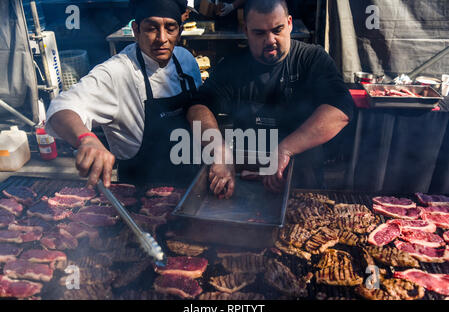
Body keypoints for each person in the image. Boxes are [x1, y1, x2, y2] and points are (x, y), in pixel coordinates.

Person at [187, 0, 354, 196]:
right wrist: (219, 151)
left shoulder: (312, 59)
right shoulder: (233, 66)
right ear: (246, 30)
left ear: (290, 23)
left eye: (277, 29)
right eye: (260, 33)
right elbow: (198, 106)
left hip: (302, 183)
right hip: (245, 183)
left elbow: (340, 109)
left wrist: (285, 150)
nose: (270, 40)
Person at [45, 0, 202, 187]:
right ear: (136, 30)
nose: (162, 38)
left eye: (170, 28)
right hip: (141, 196)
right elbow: (61, 108)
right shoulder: (116, 72)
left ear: (180, 31)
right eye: (151, 28)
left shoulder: (186, 60)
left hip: (190, 184)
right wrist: (86, 139)